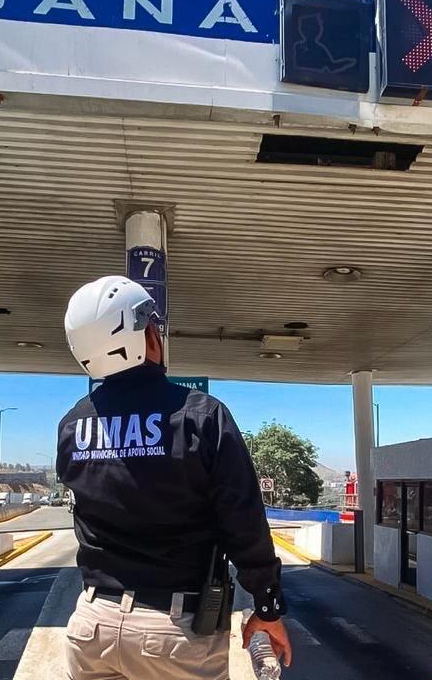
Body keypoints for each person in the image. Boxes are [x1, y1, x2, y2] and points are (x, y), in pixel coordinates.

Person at [57, 275, 292, 680]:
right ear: (145, 337)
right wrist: (267, 607)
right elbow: (243, 522)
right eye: (153, 325)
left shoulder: (72, 425)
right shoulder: (201, 416)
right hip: (174, 633)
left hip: (91, 627)